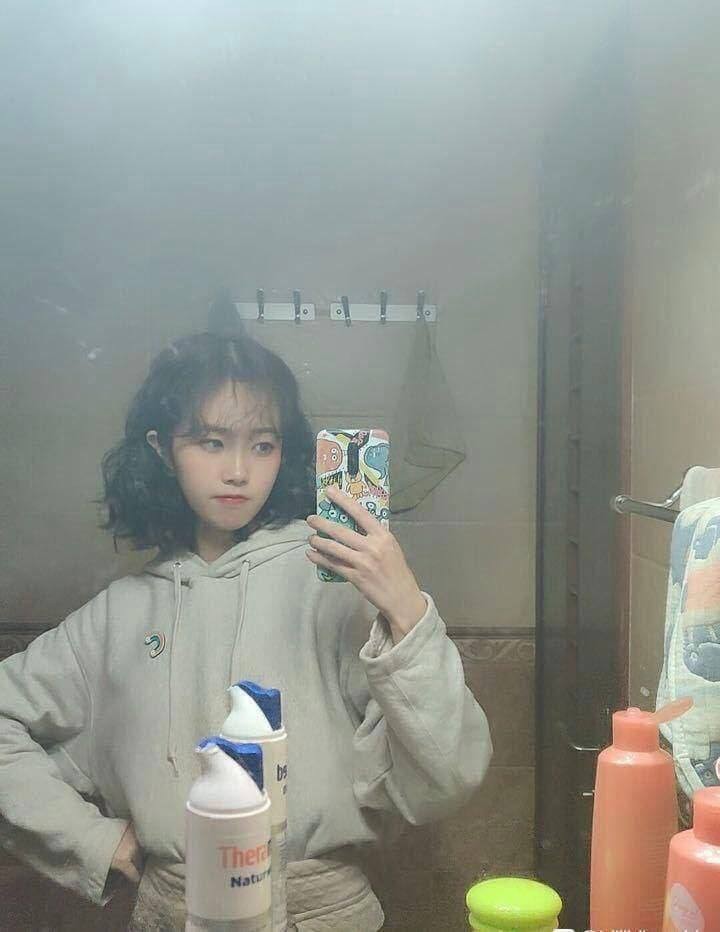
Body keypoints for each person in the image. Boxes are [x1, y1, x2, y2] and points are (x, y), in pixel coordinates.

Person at [0, 331, 493, 930]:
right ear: (162, 449)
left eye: (262, 445)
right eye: (211, 442)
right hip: (170, 910)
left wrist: (406, 610)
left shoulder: (333, 584)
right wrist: (93, 841)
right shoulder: (119, 613)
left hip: (321, 910)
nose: (237, 472)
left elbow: (449, 775)